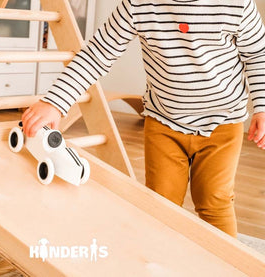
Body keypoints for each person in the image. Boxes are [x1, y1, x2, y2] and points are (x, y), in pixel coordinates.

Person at [21, 0, 265, 237]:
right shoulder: (139, 4)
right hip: (164, 124)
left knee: (214, 201)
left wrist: (262, 107)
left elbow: (258, 55)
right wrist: (55, 101)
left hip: (222, 125)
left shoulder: (237, 4)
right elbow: (98, 53)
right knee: (160, 204)